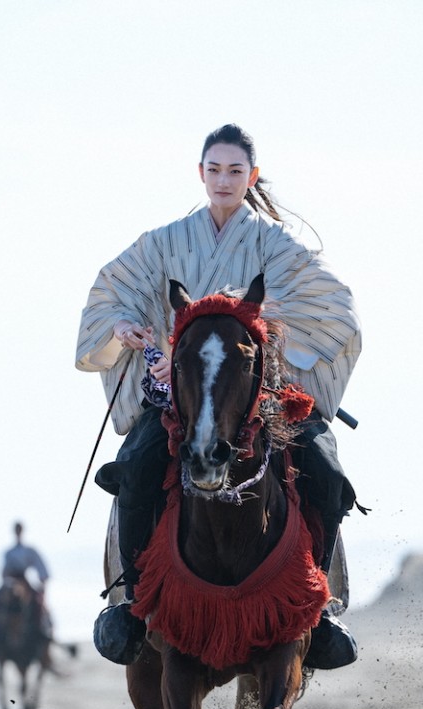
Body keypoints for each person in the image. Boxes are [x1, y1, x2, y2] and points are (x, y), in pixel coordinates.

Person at [75, 123, 362, 669]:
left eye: (235, 171)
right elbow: (113, 292)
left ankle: (320, 610)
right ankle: (131, 604)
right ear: (201, 173)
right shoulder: (163, 243)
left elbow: (336, 308)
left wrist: (269, 319)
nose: (224, 180)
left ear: (250, 176)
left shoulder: (277, 246)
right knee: (134, 467)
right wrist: (122, 328)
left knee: (324, 470)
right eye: (214, 169)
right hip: (181, 396)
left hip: (261, 398)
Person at [0, 521, 52, 654]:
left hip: (24, 581)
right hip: (9, 582)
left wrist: (42, 586)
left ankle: (40, 632)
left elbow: (41, 569)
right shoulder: (8, 552)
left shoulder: (29, 551)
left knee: (37, 604)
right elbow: (3, 572)